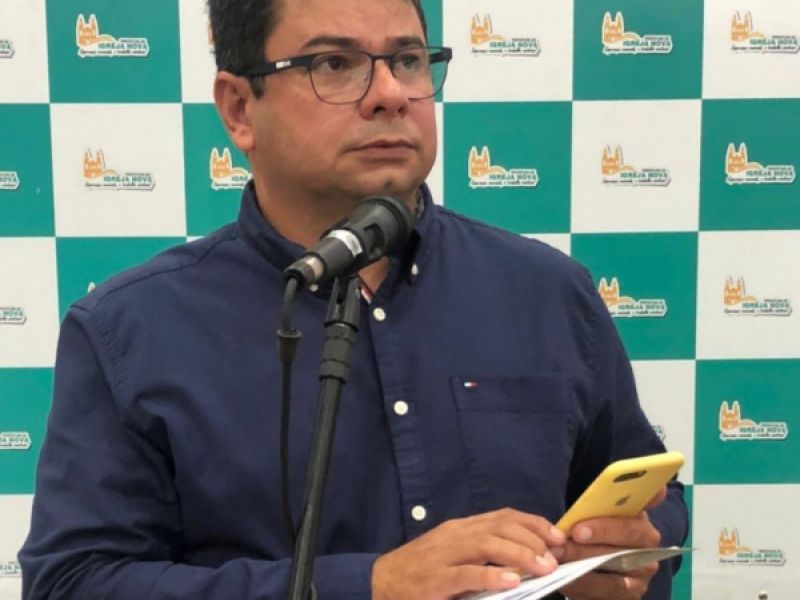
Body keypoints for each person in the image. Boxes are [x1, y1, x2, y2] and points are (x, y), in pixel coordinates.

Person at [19, 0, 688, 598]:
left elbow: (652, 500)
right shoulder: (131, 328)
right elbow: (73, 582)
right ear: (240, 108)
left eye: (408, 60)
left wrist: (623, 552)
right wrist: (368, 586)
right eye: (335, 64)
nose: (390, 94)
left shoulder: (548, 290)